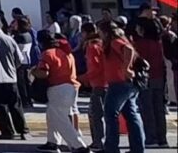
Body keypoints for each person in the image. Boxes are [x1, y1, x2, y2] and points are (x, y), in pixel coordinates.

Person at [32, 32, 88, 153]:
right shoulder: (67, 53)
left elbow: (44, 73)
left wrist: (33, 72)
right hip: (71, 87)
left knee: (59, 118)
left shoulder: (47, 53)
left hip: (58, 88)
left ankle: (79, 146)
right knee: (52, 114)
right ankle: (52, 142)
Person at [99, 21, 145, 153]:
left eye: (100, 31)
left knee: (110, 114)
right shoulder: (120, 39)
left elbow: (128, 49)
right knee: (132, 115)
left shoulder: (114, 41)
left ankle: (111, 148)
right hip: (127, 83)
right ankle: (137, 148)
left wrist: (126, 67)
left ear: (106, 32)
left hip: (119, 83)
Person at [0, 15, 29, 140]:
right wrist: (13, 68)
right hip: (10, 77)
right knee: (15, 104)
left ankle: (7, 131)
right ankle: (23, 130)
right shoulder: (9, 39)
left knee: (0, 106)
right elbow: (19, 59)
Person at [132, 18, 167, 148]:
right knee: (159, 108)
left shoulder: (139, 44)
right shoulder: (158, 43)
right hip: (158, 76)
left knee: (147, 108)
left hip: (145, 78)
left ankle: (151, 137)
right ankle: (162, 138)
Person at [80, 22, 107, 152]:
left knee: (94, 114)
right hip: (107, 82)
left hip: (98, 83)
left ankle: (98, 141)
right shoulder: (102, 43)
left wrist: (84, 78)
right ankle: (101, 140)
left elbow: (95, 66)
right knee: (105, 114)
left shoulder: (92, 46)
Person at [11, 15, 37, 107]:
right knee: (27, 82)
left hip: (20, 61)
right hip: (27, 60)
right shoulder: (28, 34)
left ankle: (24, 100)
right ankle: (29, 100)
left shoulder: (19, 36)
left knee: (21, 83)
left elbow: (13, 48)